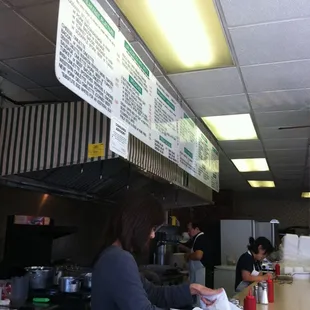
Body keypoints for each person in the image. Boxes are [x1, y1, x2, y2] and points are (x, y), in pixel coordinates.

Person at [92, 193, 223, 310]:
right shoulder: (118, 259)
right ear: (138, 224)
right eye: (152, 228)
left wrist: (194, 289)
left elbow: (154, 293)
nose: (153, 235)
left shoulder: (114, 256)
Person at [179, 222, 208, 286]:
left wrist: (188, 256)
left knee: (198, 294)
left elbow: (198, 256)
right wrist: (185, 249)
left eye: (189, 230)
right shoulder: (198, 238)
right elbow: (195, 251)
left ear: (197, 229)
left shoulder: (200, 238)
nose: (188, 232)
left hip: (199, 274)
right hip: (196, 273)